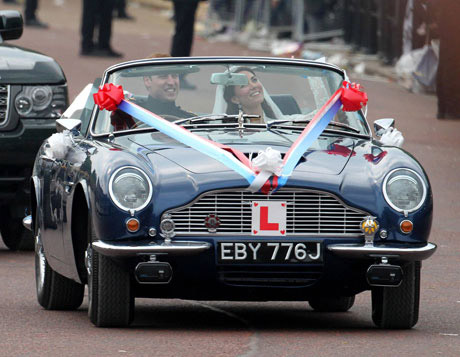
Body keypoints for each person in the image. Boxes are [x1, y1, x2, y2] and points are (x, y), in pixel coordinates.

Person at [434, 0, 460, 119]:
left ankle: (443, 107)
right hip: (452, 19)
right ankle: (451, 108)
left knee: (445, 63)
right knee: (452, 65)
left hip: (445, 18)